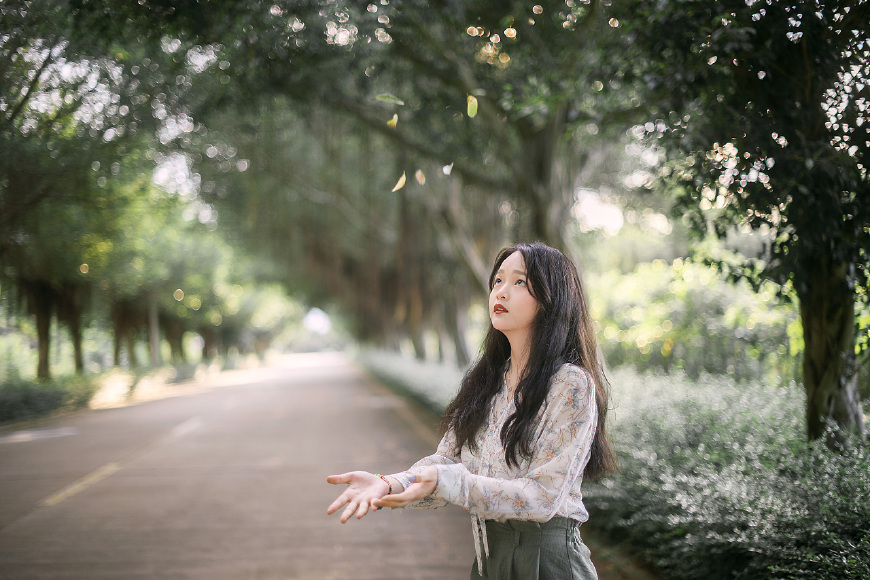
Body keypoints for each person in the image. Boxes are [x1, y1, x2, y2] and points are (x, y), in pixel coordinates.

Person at [327, 242, 617, 579]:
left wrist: (449, 481)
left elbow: (542, 497)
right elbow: (446, 464)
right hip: (487, 561)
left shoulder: (569, 384)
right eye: (497, 281)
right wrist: (389, 483)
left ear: (553, 298)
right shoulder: (488, 382)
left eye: (519, 282)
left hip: (547, 563)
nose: (502, 292)